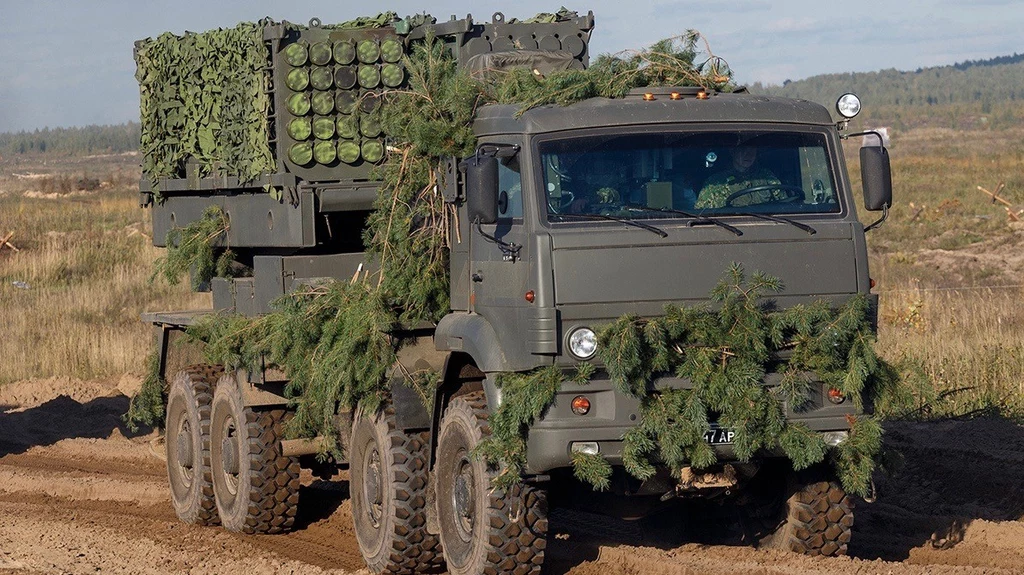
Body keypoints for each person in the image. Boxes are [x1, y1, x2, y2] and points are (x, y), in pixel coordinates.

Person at [694, 145, 782, 209]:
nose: (749, 155)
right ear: (732, 151)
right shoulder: (715, 182)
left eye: (752, 150)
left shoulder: (767, 177)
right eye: (743, 149)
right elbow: (702, 215)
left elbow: (784, 205)